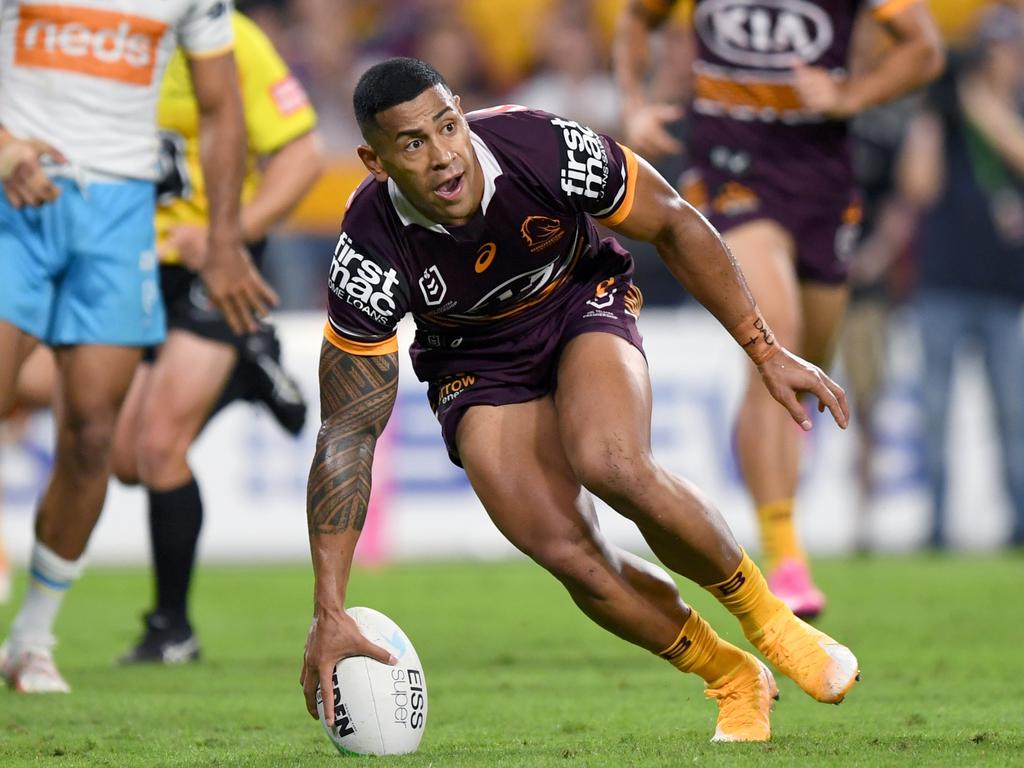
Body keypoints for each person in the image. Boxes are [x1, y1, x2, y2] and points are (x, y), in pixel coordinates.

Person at [300, 57, 859, 744]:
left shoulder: (542, 145)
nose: (444, 155)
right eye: (413, 143)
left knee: (612, 460)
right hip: (473, 360)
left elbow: (676, 221)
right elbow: (348, 432)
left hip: (578, 300)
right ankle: (731, 675)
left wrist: (765, 349)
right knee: (568, 553)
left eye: (447, 126)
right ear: (374, 161)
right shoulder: (369, 252)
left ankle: (771, 623)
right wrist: (329, 608)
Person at [614, 0, 944, 616]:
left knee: (808, 369)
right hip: (729, 165)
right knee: (778, 340)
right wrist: (635, 101)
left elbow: (924, 48)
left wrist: (850, 96)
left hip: (822, 176)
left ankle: (779, 496)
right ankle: (786, 557)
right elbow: (638, 18)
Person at [0, 0, 277, 694]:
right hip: (12, 195)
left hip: (121, 219)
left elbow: (221, 108)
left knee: (95, 432)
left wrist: (222, 239)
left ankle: (32, 638)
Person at [104, 7, 319, 664]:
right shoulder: (101, 36)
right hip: (133, 265)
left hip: (209, 268)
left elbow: (303, 156)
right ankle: (248, 368)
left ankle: (173, 628)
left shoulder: (233, 41)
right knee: (126, 460)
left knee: (159, 444)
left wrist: (228, 235)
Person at [898, 5, 1024, 549]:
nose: (1005, 61)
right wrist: (933, 112)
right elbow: (918, 188)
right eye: (997, 50)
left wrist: (984, 109)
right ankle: (937, 524)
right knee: (935, 411)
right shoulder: (945, 113)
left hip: (1004, 287)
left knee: (1013, 416)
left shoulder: (1004, 112)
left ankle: (1019, 519)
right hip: (944, 282)